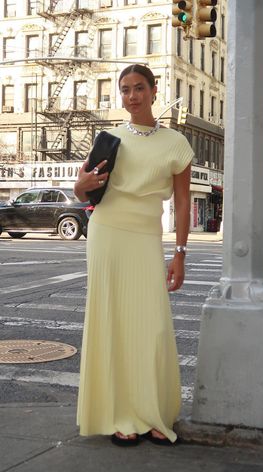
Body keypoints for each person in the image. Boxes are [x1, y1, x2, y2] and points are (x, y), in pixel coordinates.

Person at [74, 64, 194, 446]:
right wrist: (82, 184)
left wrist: (179, 253)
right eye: (124, 89)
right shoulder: (108, 138)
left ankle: (154, 411)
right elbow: (81, 191)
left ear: (154, 90)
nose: (131, 96)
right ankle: (119, 413)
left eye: (138, 88)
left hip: (145, 236)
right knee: (111, 321)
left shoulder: (175, 142)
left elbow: (182, 199)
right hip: (106, 232)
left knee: (152, 324)